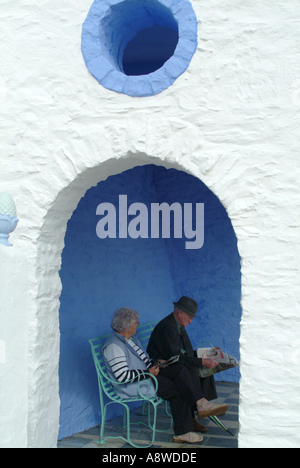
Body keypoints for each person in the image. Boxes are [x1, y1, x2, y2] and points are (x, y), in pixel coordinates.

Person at [103, 307, 228, 445]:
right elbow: (122, 377)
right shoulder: (114, 346)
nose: (137, 325)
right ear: (125, 327)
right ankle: (183, 432)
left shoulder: (129, 339)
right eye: (135, 323)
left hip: (149, 376)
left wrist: (157, 363)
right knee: (177, 389)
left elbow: (143, 361)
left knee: (180, 370)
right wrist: (148, 373)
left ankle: (201, 403)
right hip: (136, 384)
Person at [147, 296, 228, 433]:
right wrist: (201, 361)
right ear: (180, 313)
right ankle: (197, 412)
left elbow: (187, 353)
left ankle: (202, 407)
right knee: (192, 370)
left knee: (204, 368)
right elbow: (175, 358)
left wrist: (209, 354)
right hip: (162, 366)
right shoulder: (168, 328)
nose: (190, 321)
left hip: (173, 362)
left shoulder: (178, 325)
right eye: (189, 317)